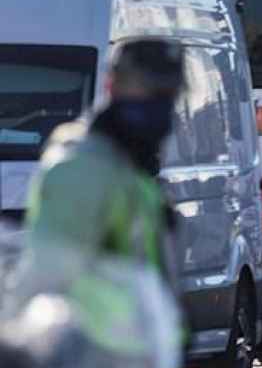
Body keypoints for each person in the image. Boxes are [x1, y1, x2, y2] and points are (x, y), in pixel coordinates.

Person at [24, 40, 186, 352]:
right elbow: (47, 282)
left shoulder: (134, 172)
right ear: (112, 86)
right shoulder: (83, 168)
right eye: (147, 87)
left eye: (168, 92)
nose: (160, 101)